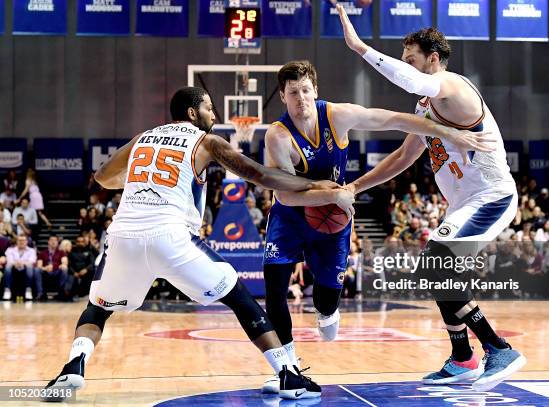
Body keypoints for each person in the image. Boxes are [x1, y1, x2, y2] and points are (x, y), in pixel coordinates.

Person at [45, 87, 346, 401]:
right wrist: (313, 184)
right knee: (239, 297)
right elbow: (260, 175)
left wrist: (143, 179)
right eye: (209, 109)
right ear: (192, 113)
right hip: (170, 236)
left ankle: (73, 366)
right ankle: (287, 374)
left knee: (98, 308)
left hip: (123, 237)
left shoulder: (142, 138)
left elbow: (103, 177)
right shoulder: (207, 141)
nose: (214, 115)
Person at [260, 60, 495, 394]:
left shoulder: (338, 115)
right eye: (293, 93)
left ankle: (327, 310)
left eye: (306, 90)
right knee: (274, 289)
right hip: (292, 217)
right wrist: (331, 194)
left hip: (333, 222)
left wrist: (449, 132)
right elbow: (285, 197)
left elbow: (395, 119)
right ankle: (287, 366)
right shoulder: (278, 136)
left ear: (316, 90)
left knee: (326, 302)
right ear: (283, 97)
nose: (301, 98)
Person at [337, 4, 525, 391]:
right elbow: (404, 157)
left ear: (433, 59)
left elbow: (412, 81)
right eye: (403, 59)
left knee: (436, 265)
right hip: (465, 203)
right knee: (437, 273)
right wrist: (356, 187)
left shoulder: (452, 86)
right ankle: (462, 357)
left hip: (492, 197)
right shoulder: (426, 107)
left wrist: (359, 47)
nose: (405, 65)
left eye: (411, 59)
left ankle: (498, 348)